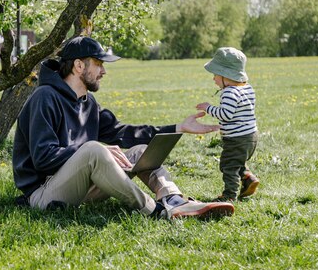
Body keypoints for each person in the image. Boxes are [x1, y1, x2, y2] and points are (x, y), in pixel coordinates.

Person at [13, 36, 235, 220]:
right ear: (79, 65)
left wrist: (179, 127)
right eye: (98, 64)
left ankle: (174, 200)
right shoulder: (44, 97)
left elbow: (124, 132)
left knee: (139, 151)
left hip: (81, 187)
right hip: (45, 193)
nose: (104, 71)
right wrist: (91, 151)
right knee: (93, 149)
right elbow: (43, 157)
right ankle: (156, 211)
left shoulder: (87, 102)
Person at [196, 47, 259, 202]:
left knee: (228, 166)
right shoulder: (247, 88)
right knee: (238, 161)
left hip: (236, 139)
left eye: (215, 75)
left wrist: (208, 108)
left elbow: (226, 115)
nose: (213, 79)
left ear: (225, 75)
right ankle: (249, 178)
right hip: (251, 136)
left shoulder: (229, 92)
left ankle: (229, 196)